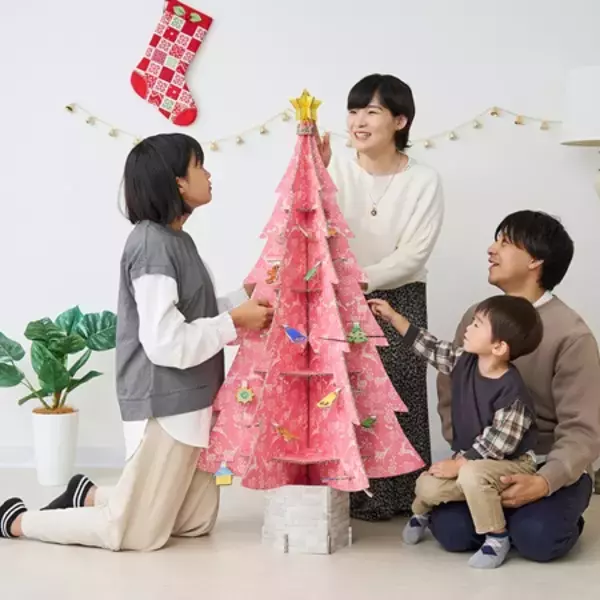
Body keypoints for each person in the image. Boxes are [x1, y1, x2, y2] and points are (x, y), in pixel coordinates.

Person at [0, 133, 274, 550]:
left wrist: (245, 297)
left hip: (196, 398)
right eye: (199, 166)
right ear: (177, 182)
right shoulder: (151, 245)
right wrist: (235, 322)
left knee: (194, 521)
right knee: (136, 534)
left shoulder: (177, 240)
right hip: (166, 400)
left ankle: (89, 495)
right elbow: (165, 342)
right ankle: (18, 521)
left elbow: (196, 314)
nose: (208, 174)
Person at [431, 210, 600, 562]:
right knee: (451, 531)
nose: (491, 249)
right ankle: (507, 519)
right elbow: (450, 384)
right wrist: (464, 454)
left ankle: (557, 514)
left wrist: (545, 480)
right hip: (482, 463)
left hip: (543, 463)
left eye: (505, 242)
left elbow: (583, 429)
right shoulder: (477, 316)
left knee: (537, 538)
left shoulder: (572, 335)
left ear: (536, 260)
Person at [318, 73, 444, 520]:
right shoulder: (332, 168)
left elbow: (414, 254)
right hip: (336, 296)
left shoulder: (424, 180)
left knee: (398, 395)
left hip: (399, 295)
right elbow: (309, 225)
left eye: (371, 111)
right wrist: (315, 172)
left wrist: (361, 279)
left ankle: (404, 496)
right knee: (342, 393)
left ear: (400, 121)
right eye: (353, 111)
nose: (358, 121)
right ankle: (346, 494)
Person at [370, 294, 543, 568]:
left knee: (472, 474)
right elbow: (429, 347)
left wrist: (460, 464)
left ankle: (497, 536)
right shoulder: (464, 360)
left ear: (499, 346)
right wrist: (393, 317)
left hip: (511, 463)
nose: (468, 328)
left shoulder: (513, 394)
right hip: (471, 459)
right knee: (427, 485)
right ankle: (421, 513)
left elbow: (497, 446)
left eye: (478, 324)